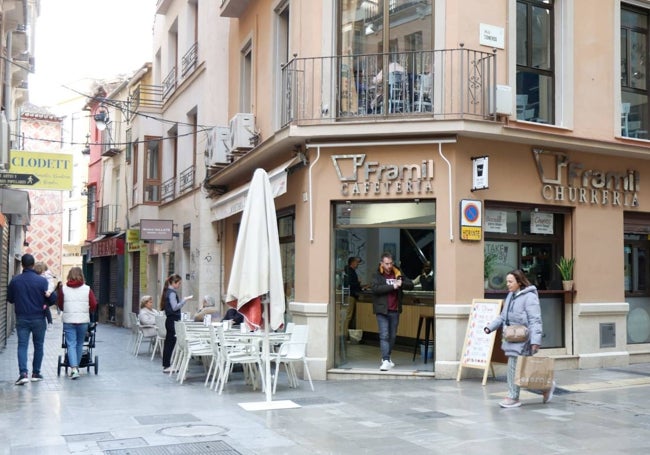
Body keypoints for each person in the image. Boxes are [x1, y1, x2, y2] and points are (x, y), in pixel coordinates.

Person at [484, 269, 555, 408]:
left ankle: (513, 397)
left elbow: (535, 320)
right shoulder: (511, 296)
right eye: (507, 282)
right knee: (523, 370)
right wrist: (490, 327)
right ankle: (545, 387)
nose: (508, 284)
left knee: (513, 365)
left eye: (510, 281)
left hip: (524, 338)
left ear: (519, 282)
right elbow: (503, 316)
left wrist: (535, 341)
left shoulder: (530, 297)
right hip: (511, 336)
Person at [8, 254, 58, 384]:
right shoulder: (42, 281)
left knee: (22, 346)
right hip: (39, 319)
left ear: (22, 265)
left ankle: (23, 373)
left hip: (22, 318)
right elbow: (52, 299)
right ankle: (36, 373)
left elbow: (10, 299)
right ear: (33, 264)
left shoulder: (15, 281)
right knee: (39, 346)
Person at [370, 252, 413, 371]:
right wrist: (392, 286)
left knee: (392, 336)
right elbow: (375, 288)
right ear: (381, 263)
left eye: (390, 263)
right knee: (384, 335)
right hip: (382, 310)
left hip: (395, 309)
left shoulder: (398, 273)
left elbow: (411, 285)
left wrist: (401, 283)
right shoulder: (377, 274)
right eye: (386, 264)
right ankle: (385, 360)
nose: (389, 266)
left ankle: (387, 357)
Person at [57, 267, 98, 380]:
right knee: (80, 344)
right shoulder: (87, 289)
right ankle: (77, 368)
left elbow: (60, 304)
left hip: (69, 320)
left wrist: (66, 309)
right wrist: (87, 310)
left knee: (71, 344)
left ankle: (74, 369)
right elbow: (94, 304)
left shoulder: (63, 289)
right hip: (82, 321)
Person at [160, 274, 192, 373]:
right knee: (170, 344)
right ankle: (167, 366)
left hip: (169, 320)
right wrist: (184, 300)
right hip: (172, 321)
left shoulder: (168, 292)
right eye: (179, 283)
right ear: (173, 283)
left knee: (168, 343)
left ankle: (166, 365)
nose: (179, 285)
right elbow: (175, 307)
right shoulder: (172, 293)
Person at [342, 256, 363, 340]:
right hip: (351, 295)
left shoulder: (349, 271)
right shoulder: (350, 272)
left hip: (350, 295)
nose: (357, 264)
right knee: (348, 315)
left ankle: (345, 334)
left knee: (348, 315)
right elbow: (350, 284)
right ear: (352, 262)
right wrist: (358, 283)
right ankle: (345, 335)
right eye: (356, 262)